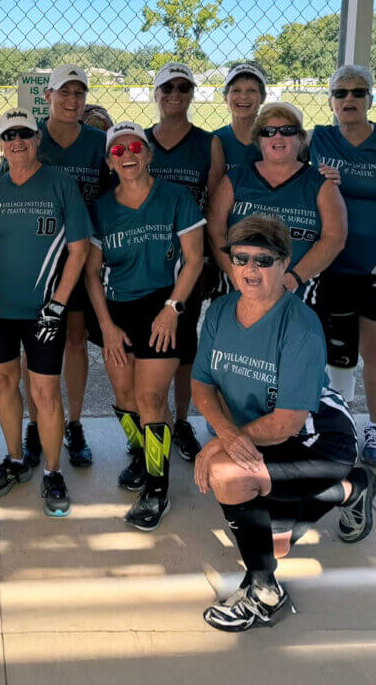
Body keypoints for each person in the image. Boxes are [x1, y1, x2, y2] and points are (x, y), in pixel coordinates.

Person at [192, 216, 372, 633]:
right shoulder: (220, 310)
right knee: (272, 535)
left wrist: (222, 443)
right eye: (241, 258)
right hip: (262, 432)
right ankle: (354, 489)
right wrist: (226, 434)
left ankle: (265, 593)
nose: (250, 269)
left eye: (263, 260)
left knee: (228, 474)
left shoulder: (300, 326)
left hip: (319, 442)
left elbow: (288, 423)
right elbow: (201, 382)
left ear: (284, 263)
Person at [0, 108, 91, 517]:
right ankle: (16, 459)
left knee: (45, 393)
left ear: (37, 140)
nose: (17, 141)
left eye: (24, 134)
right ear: (0, 145)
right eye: (9, 136)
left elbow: (79, 249)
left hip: (44, 313)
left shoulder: (60, 183)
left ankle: (53, 472)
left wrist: (58, 304)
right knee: (4, 383)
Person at [85, 121, 205, 529]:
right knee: (124, 395)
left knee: (150, 397)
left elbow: (195, 259)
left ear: (149, 154)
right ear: (109, 162)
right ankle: (142, 454)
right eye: (118, 151)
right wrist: (106, 326)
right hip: (118, 309)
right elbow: (92, 273)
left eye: (136, 147)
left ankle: (157, 488)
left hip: (163, 305)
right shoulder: (101, 208)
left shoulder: (175, 197)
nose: (128, 155)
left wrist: (172, 309)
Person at [4, 65, 109, 470]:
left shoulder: (98, 141)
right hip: (38, 255)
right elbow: (8, 183)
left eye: (79, 93)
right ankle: (36, 424)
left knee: (75, 339)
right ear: (47, 96)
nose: (72, 100)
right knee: (36, 343)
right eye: (64, 92)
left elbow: (115, 192)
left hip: (82, 254)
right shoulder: (31, 137)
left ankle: (74, 424)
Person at [146, 62, 226, 462]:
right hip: (145, 258)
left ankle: (180, 420)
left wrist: (209, 257)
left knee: (183, 344)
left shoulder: (208, 143)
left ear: (192, 94)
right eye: (168, 87)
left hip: (189, 261)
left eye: (183, 87)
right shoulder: (141, 141)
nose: (175, 94)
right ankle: (148, 420)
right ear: (156, 94)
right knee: (146, 344)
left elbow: (213, 205)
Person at [208, 101, 346, 314]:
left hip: (296, 294)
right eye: (268, 131)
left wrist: (292, 280)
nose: (278, 137)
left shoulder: (321, 183)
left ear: (301, 138)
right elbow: (214, 229)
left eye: (287, 130)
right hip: (237, 292)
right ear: (258, 139)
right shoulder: (236, 178)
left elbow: (335, 237)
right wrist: (236, 276)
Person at [309, 65, 376, 461]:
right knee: (336, 350)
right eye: (340, 93)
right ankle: (341, 425)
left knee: (374, 348)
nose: (349, 99)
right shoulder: (318, 139)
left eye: (358, 92)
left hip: (372, 266)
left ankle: (375, 428)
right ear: (331, 100)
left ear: (370, 98)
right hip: (331, 263)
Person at [213, 62, 265, 172]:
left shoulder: (275, 140)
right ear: (225, 97)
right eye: (236, 90)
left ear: (262, 97)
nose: (243, 96)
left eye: (251, 90)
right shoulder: (213, 141)